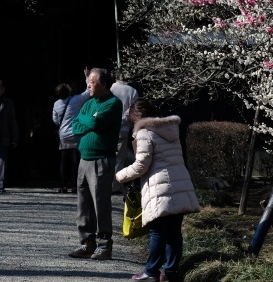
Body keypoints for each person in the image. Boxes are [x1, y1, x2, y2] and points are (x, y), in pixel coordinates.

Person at [116, 98, 201, 282]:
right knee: (173, 233)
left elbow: (141, 165)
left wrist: (120, 175)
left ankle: (151, 272)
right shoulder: (171, 130)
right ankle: (170, 273)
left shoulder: (145, 133)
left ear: (136, 117)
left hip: (160, 186)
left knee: (158, 232)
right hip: (179, 184)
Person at [68, 67, 122, 261]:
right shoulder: (89, 103)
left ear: (104, 84)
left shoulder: (113, 103)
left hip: (102, 159)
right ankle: (86, 242)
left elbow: (95, 125)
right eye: (88, 81)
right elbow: (76, 125)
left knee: (101, 204)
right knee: (83, 205)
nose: (88, 85)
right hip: (85, 157)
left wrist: (89, 121)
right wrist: (89, 120)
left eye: (92, 82)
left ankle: (104, 245)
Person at [53, 82, 89, 194]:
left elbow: (55, 120)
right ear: (68, 91)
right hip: (75, 133)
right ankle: (74, 186)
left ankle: (63, 185)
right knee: (75, 161)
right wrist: (88, 78)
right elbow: (87, 93)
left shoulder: (56, 104)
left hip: (63, 135)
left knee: (64, 160)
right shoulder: (75, 100)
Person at [110, 72, 139, 191]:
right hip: (123, 128)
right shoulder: (132, 91)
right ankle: (115, 185)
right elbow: (132, 110)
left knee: (107, 156)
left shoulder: (110, 88)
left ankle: (105, 182)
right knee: (119, 158)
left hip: (108, 126)